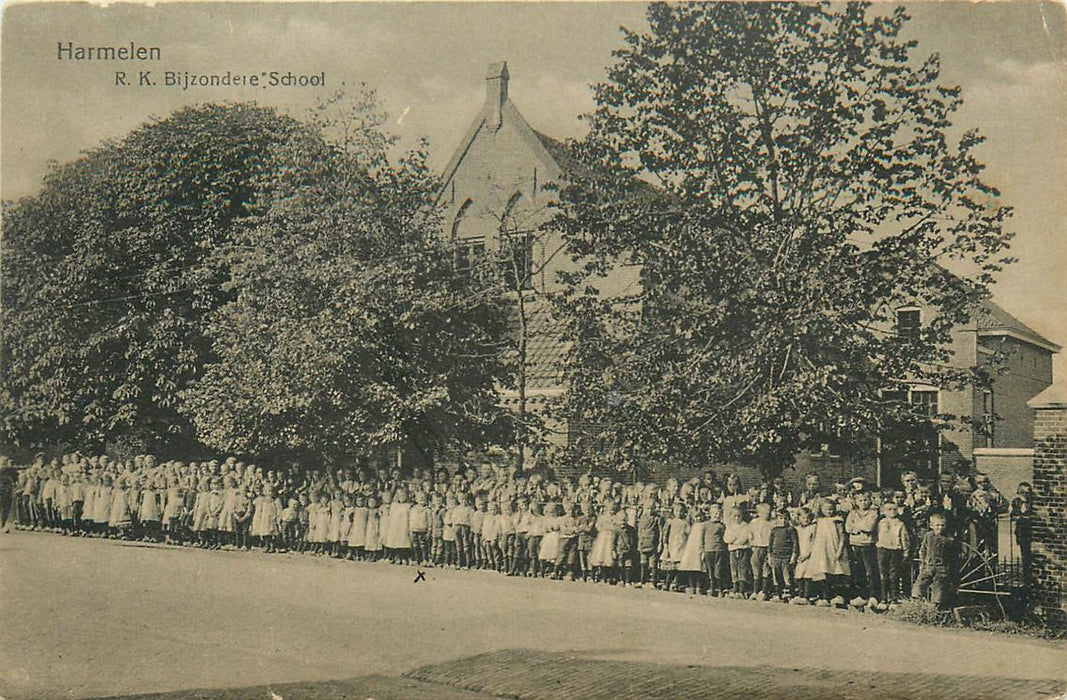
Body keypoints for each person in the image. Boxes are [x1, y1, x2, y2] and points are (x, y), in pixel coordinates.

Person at [807, 498, 850, 607]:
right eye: (826, 509)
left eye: (831, 509)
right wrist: (811, 550)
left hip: (834, 548)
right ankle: (824, 597)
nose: (829, 511)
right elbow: (813, 536)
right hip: (821, 550)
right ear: (821, 509)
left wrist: (840, 549)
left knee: (836, 571)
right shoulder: (818, 521)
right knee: (823, 572)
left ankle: (838, 597)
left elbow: (842, 536)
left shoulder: (837, 520)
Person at [912, 512, 958, 609]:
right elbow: (923, 549)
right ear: (932, 526)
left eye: (942, 525)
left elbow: (952, 556)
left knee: (939, 586)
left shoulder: (949, 539)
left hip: (941, 568)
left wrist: (947, 568)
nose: (940, 528)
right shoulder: (928, 536)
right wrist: (923, 562)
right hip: (928, 565)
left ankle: (935, 606)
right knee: (920, 583)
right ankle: (917, 603)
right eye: (937, 525)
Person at [845, 490, 880, 607]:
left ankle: (873, 596)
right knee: (858, 570)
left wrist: (857, 527)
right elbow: (848, 527)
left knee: (870, 571)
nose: (863, 503)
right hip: (855, 544)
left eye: (865, 500)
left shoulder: (873, 513)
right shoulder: (852, 513)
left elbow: (869, 527)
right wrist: (859, 527)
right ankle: (861, 595)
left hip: (868, 544)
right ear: (856, 501)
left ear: (870, 500)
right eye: (860, 500)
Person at [875, 501, 911, 606]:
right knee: (883, 574)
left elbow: (905, 538)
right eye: (889, 509)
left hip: (895, 550)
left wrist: (906, 552)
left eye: (894, 509)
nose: (892, 512)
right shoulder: (881, 523)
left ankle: (894, 598)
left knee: (894, 574)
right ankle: (883, 598)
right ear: (884, 511)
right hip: (882, 549)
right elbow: (877, 535)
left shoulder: (900, 524)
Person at [767, 507, 798, 600]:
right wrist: (769, 555)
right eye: (781, 518)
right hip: (775, 556)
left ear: (789, 519)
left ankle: (787, 592)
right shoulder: (774, 530)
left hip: (786, 556)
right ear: (777, 519)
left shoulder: (791, 530)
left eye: (785, 518)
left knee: (787, 574)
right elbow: (770, 543)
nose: (783, 521)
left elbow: (795, 543)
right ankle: (778, 592)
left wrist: (794, 555)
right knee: (776, 575)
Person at [723, 504, 752, 598]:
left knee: (742, 569)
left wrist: (737, 541)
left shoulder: (745, 526)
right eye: (734, 516)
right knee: (734, 569)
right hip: (732, 550)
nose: (737, 518)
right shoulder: (730, 526)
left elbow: (745, 537)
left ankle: (742, 589)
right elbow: (726, 538)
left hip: (743, 550)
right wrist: (733, 539)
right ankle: (735, 587)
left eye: (739, 516)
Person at [748, 502, 774, 600]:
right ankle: (755, 591)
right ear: (759, 513)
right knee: (755, 569)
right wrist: (751, 542)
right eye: (764, 513)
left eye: (768, 513)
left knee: (765, 569)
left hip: (766, 548)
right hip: (756, 547)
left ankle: (764, 591)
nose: (766, 515)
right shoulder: (754, 522)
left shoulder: (771, 523)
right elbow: (750, 533)